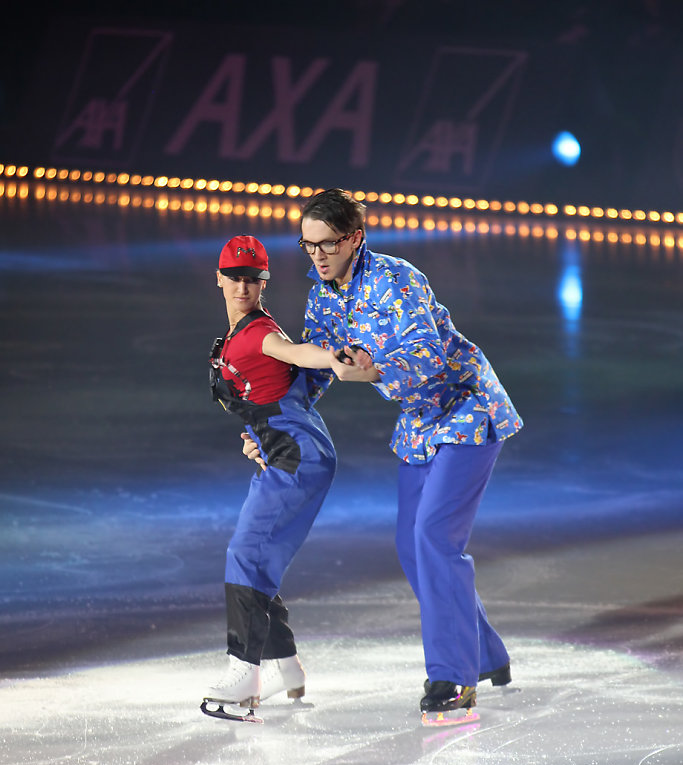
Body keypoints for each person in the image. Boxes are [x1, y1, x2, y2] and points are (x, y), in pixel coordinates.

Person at [297, 188, 524, 716]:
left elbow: (426, 351)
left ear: (355, 238)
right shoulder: (324, 298)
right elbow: (315, 369)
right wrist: (272, 420)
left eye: (327, 244)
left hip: (467, 409)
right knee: (410, 543)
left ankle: (454, 677)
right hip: (420, 423)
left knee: (433, 536)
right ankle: (486, 653)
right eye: (307, 247)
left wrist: (374, 370)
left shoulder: (396, 279)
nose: (317, 256)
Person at [201, 234, 346, 722]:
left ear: (263, 282)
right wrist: (255, 437)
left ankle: (244, 673)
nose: (242, 286)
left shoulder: (260, 333)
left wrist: (332, 357)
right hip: (288, 452)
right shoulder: (235, 336)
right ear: (219, 278)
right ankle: (283, 664)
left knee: (246, 550)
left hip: (296, 455)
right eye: (235, 277)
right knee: (257, 554)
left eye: (252, 278)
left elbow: (296, 353)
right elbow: (264, 397)